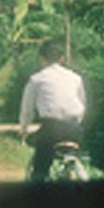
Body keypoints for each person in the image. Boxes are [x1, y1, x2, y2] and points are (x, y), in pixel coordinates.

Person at [19, 39, 86, 181]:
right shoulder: (76, 78)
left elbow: (27, 109)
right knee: (71, 154)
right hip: (75, 129)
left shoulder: (36, 79)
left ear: (42, 58)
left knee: (40, 168)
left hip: (51, 130)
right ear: (62, 58)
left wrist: (24, 129)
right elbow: (82, 103)